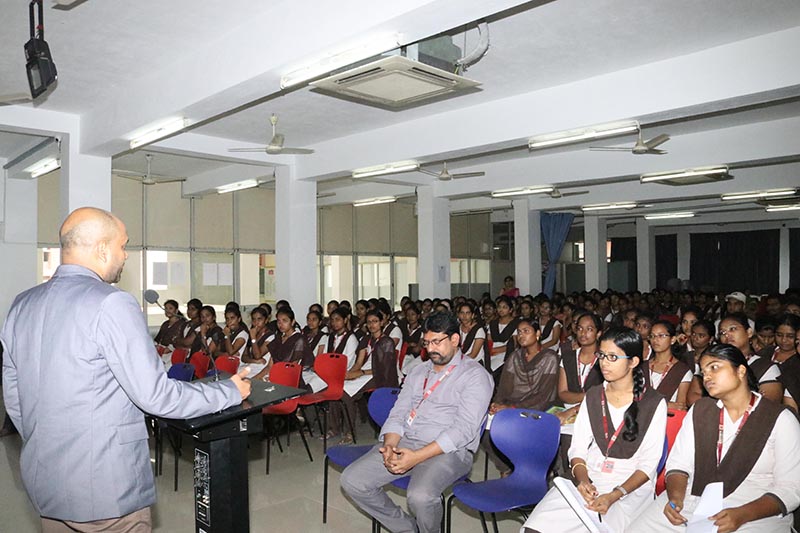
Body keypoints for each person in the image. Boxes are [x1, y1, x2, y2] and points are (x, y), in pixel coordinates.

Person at [0, 207, 251, 531]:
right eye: (122, 245)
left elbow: (15, 397)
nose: (125, 255)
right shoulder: (111, 302)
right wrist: (228, 390)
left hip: (46, 482)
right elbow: (156, 395)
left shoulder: (22, 304)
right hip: (105, 490)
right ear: (102, 249)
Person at [340, 312, 494, 533]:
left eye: (437, 342)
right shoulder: (418, 371)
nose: (431, 349)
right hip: (407, 441)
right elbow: (399, 412)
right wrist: (391, 446)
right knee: (352, 480)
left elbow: (463, 430)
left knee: (419, 497)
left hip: (450, 451)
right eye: (427, 342)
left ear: (454, 340)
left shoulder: (475, 376)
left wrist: (416, 458)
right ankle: (407, 529)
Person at [629, 344, 800, 533]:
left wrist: (742, 515)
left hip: (753, 508)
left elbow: (791, 488)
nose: (707, 376)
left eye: (714, 367)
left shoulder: (780, 418)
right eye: (703, 371)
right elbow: (678, 464)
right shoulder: (700, 410)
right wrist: (675, 498)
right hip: (694, 498)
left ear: (741, 370)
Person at [521, 327, 668, 533]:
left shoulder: (654, 403)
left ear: (633, 362)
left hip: (629, 487)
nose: (604, 362)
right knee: (535, 529)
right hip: (591, 478)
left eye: (613, 357)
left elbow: (649, 464)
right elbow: (578, 449)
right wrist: (583, 481)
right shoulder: (593, 395)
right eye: (602, 355)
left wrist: (614, 495)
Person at [484, 318, 559, 475]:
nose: (521, 335)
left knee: (518, 429)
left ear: (537, 334)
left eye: (526, 331)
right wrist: (496, 404)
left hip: (538, 408)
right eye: (519, 332)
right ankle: (506, 468)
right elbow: (504, 387)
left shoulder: (549, 357)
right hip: (511, 407)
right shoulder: (515, 356)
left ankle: (529, 468)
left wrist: (511, 408)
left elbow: (543, 396)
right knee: (484, 431)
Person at [337, 310, 399, 444]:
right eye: (369, 322)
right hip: (365, 372)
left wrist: (360, 373)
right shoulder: (366, 339)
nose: (372, 325)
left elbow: (384, 368)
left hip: (381, 376)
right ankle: (348, 426)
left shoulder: (386, 342)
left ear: (382, 323)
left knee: (346, 394)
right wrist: (350, 374)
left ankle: (350, 432)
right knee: (340, 387)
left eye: (375, 321)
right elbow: (359, 362)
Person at [719, 313, 783, 403]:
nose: (727, 335)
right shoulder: (716, 365)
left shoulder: (765, 367)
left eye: (733, 329)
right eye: (722, 333)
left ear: (749, 332)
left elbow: (767, 405)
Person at [556, 312, 604, 424]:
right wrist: (588, 396)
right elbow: (562, 393)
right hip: (567, 409)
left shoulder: (604, 359)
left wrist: (573, 408)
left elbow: (604, 396)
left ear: (598, 333)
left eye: (589, 329)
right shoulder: (568, 357)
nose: (583, 333)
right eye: (580, 328)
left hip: (595, 411)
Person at [646, 320, 692, 410]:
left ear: (673, 339)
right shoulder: (643, 367)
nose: (655, 340)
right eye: (652, 336)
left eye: (661, 336)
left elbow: (680, 407)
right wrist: (665, 405)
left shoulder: (681, 370)